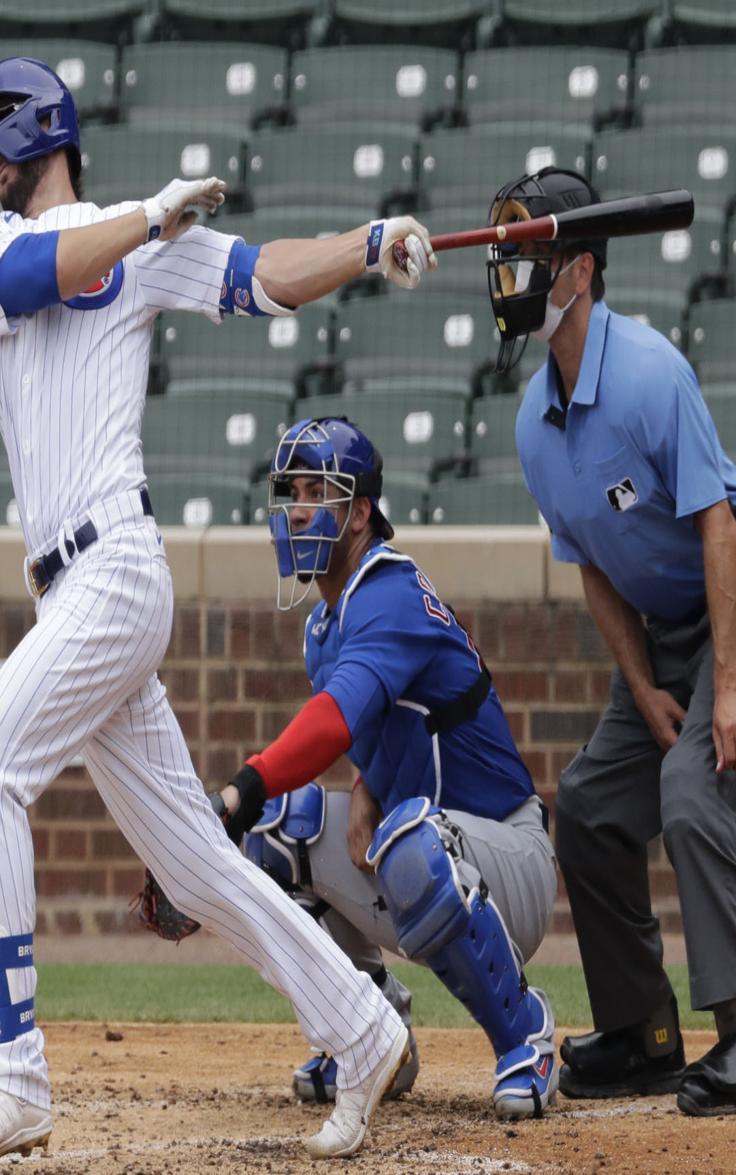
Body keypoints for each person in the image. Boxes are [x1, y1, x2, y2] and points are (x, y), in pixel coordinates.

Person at [0, 56, 438, 1159]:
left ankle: (13, 1076)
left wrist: (368, 238)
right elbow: (37, 276)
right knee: (196, 861)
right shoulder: (40, 245)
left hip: (115, 569)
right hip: (69, 594)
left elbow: (266, 275)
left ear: (26, 138)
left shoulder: (138, 252)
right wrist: (151, 215)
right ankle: (362, 1023)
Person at [485, 167, 736, 1117]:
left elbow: (715, 522)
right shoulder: (529, 423)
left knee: (690, 788)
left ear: (579, 271)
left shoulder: (646, 371)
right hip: (665, 632)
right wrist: (641, 682)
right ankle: (643, 1035)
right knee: (588, 802)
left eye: (528, 256)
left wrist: (724, 690)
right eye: (504, 257)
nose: (510, 275)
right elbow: (592, 562)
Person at [210, 415, 558, 1120]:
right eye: (291, 491)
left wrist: (240, 786)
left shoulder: (389, 590)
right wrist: (363, 786)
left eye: (319, 490)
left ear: (361, 512)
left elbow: (335, 719)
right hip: (424, 847)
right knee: (279, 828)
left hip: (508, 855)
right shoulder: (323, 626)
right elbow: (379, 726)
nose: (299, 507)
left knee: (404, 836)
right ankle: (369, 1032)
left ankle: (527, 1035)